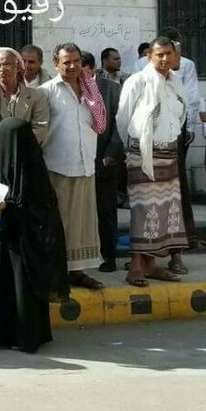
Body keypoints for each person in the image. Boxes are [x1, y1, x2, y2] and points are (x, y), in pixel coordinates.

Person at [0, 118, 65, 353]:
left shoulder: (34, 172)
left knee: (20, 285)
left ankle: (25, 335)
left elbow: (41, 207)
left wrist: (12, 206)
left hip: (22, 243)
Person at [117, 38, 190, 286]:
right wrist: (135, 149)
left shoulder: (176, 83)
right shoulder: (137, 81)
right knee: (143, 210)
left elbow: (180, 115)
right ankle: (136, 267)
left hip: (169, 154)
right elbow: (123, 119)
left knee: (164, 210)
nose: (165, 59)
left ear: (175, 56)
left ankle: (151, 265)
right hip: (142, 155)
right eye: (159, 54)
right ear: (149, 56)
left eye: (169, 53)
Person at [41, 43, 107, 289]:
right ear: (56, 64)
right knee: (60, 223)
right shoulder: (46, 91)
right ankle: (56, 273)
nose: (72, 66)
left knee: (83, 223)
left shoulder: (91, 90)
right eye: (66, 62)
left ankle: (77, 272)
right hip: (58, 167)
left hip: (86, 165)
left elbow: (99, 124)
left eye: (76, 61)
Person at [162, 26, 199, 261]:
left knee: (177, 185)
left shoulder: (184, 67)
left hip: (176, 131)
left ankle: (181, 244)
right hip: (152, 139)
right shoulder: (141, 71)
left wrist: (190, 127)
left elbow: (190, 99)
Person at [85, 53, 124, 272]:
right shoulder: (66, 90)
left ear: (91, 69)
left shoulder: (112, 90)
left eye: (81, 68)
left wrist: (112, 152)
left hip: (104, 161)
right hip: (76, 163)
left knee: (106, 211)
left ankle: (108, 256)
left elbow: (121, 124)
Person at [0, 48, 50, 146]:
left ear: (18, 67)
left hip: (27, 150)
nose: (2, 69)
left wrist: (19, 144)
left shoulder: (36, 96)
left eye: (7, 64)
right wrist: (10, 144)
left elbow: (40, 128)